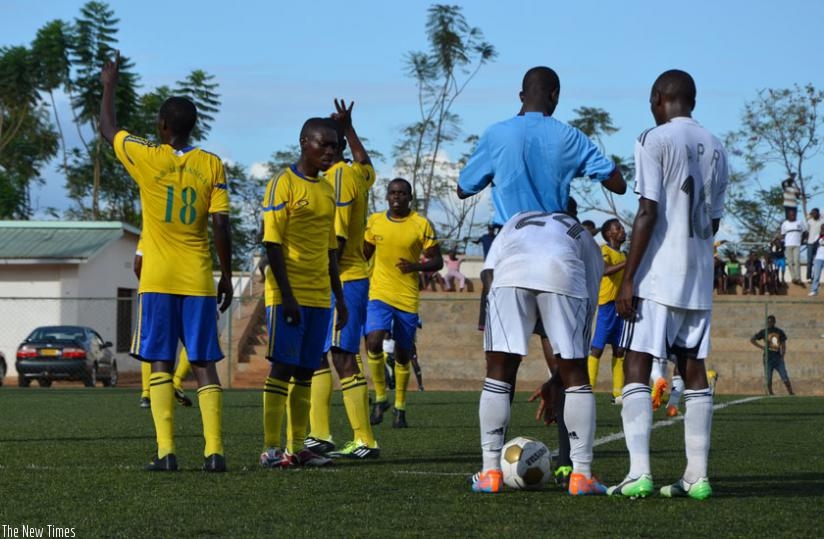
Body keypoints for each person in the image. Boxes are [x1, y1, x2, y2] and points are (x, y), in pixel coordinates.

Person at [100, 51, 233, 473]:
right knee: (203, 363)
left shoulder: (147, 156)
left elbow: (107, 129)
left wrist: (109, 84)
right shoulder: (211, 164)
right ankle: (214, 453)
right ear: (193, 127)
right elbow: (221, 224)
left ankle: (166, 452)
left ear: (161, 126)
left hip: (157, 276)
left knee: (160, 359)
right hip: (197, 276)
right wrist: (226, 275)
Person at [611, 69, 728, 500]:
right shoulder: (718, 146)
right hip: (698, 278)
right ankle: (697, 477)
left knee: (637, 363)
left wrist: (628, 279)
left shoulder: (653, 139)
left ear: (659, 97)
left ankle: (639, 472)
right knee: (693, 371)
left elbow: (647, 211)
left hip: (658, 277)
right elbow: (713, 220)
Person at [470, 209, 606, 495]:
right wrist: (563, 372)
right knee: (576, 374)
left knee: (498, 373)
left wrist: (498, 317)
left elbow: (488, 271)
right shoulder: (583, 235)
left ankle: (490, 472)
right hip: (561, 271)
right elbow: (590, 296)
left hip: (507, 277)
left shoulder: (516, 219)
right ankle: (582, 476)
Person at [259, 117, 348, 469]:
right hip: (287, 294)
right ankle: (270, 448)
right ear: (303, 142)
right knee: (283, 366)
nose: (330, 151)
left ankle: (297, 448)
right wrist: (288, 295)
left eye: (335, 146)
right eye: (323, 144)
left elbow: (330, 251)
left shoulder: (327, 190)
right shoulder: (282, 184)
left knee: (308, 371)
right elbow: (272, 244)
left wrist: (339, 298)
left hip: (319, 295)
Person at [303, 100, 380, 460]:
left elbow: (332, 243)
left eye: (332, 144)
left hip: (343, 279)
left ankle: (365, 439)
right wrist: (349, 127)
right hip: (336, 280)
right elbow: (368, 165)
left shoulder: (338, 179)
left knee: (342, 355)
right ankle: (319, 435)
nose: (327, 150)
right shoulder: (356, 173)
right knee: (319, 354)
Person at [456, 66, 626, 225]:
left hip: (511, 240)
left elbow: (463, 190)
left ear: (521, 96)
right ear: (555, 95)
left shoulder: (495, 134)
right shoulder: (571, 137)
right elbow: (618, 185)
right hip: (553, 238)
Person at [363, 178, 443, 428]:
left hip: (407, 297)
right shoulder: (375, 221)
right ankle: (379, 398)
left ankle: (400, 407)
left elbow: (437, 261)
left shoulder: (421, 224)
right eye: (392, 192)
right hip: (379, 293)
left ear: (410, 197)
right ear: (387, 196)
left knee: (402, 353)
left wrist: (416, 266)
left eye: (402, 193)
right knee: (373, 340)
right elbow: (362, 254)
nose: (396, 196)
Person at [134, 245, 194, 408]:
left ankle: (147, 393)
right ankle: (176, 382)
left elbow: (137, 263)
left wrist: (148, 284)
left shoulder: (153, 226)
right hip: (190, 289)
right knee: (195, 341)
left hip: (157, 289)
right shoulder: (189, 225)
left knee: (153, 343)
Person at [587, 219, 627, 404]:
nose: (622, 230)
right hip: (606, 305)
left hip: (621, 306)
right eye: (617, 228)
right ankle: (587, 389)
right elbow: (605, 270)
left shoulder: (624, 255)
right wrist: (627, 263)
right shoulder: (604, 250)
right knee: (597, 348)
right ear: (609, 234)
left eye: (621, 227)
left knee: (619, 350)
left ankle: (617, 393)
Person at [750, 315, 795, 395]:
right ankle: (771, 393)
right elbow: (752, 339)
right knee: (769, 378)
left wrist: (783, 354)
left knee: (784, 376)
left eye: (771, 322)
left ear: (774, 322)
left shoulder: (779, 331)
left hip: (778, 358)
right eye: (769, 322)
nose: (770, 323)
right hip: (768, 358)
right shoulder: (764, 331)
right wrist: (762, 347)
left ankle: (791, 392)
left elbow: (783, 344)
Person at [781, 208, 807, 286]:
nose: (793, 216)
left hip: (797, 244)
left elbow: (805, 232)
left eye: (794, 214)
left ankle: (798, 278)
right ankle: (793, 277)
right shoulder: (785, 223)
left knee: (796, 261)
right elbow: (783, 234)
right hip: (788, 244)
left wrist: (802, 241)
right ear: (788, 216)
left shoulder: (800, 222)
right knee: (790, 262)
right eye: (791, 215)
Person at [805, 208, 822, 282]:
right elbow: (806, 232)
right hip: (810, 243)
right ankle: (809, 277)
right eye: (812, 213)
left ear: (818, 213)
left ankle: (815, 277)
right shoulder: (809, 221)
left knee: (817, 261)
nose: (813, 214)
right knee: (809, 261)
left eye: (815, 213)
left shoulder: (822, 221)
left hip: (818, 244)